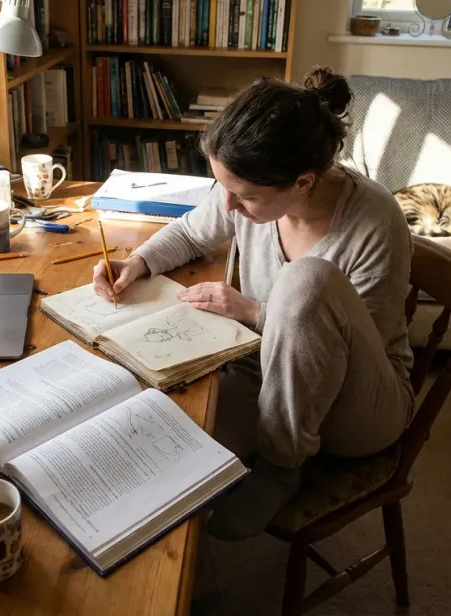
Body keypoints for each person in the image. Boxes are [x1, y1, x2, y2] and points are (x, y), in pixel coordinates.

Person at [92, 68, 416, 541]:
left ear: (302, 182)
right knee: (164, 447)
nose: (228, 206)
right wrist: (137, 262)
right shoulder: (245, 188)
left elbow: (345, 349)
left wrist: (254, 313)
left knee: (307, 280)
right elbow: (191, 231)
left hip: (360, 402)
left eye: (243, 196)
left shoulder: (376, 222)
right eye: (222, 186)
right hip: (265, 368)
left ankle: (283, 465)